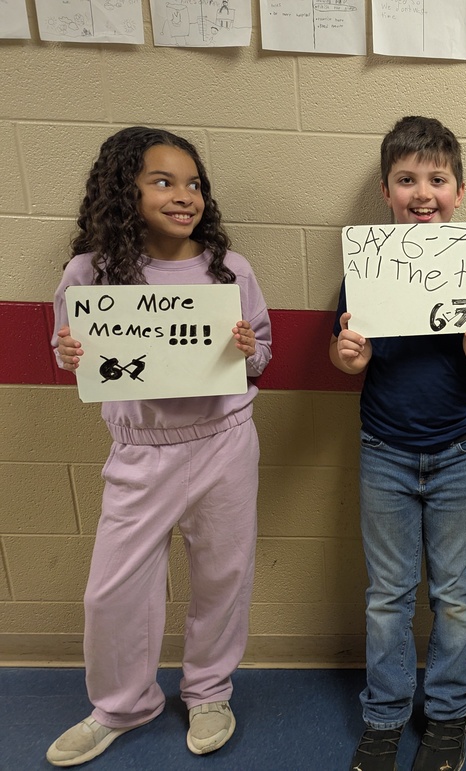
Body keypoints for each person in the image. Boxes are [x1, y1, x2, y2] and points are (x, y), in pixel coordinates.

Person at [46, 126, 272, 766]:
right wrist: (67, 353)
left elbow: (262, 352)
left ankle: (207, 691)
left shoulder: (231, 270)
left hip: (225, 442)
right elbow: (75, 352)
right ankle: (122, 704)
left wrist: (252, 352)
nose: (184, 196)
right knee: (114, 588)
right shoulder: (90, 272)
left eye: (194, 184)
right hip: (142, 448)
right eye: (163, 182)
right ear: (125, 190)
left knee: (222, 576)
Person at [330, 116, 466, 771]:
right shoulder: (365, 269)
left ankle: (447, 713)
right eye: (406, 179)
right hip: (384, 451)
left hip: (460, 452)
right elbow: (344, 353)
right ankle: (384, 714)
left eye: (437, 179)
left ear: (459, 191)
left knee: (455, 594)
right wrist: (347, 353)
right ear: (386, 192)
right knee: (387, 594)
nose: (422, 192)